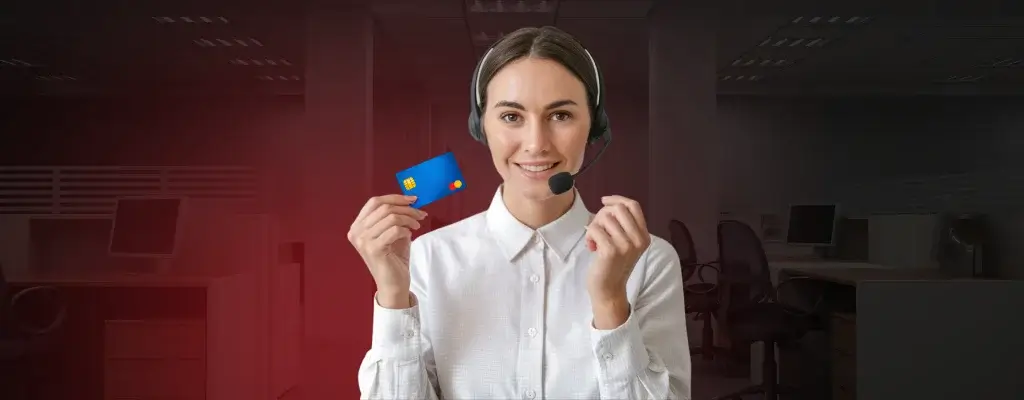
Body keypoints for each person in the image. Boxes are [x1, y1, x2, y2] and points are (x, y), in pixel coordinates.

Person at [350, 26, 691, 399]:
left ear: (594, 126)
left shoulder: (649, 260)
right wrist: (394, 296)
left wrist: (611, 303)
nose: (536, 144)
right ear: (481, 127)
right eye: (512, 117)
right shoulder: (428, 258)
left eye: (560, 115)